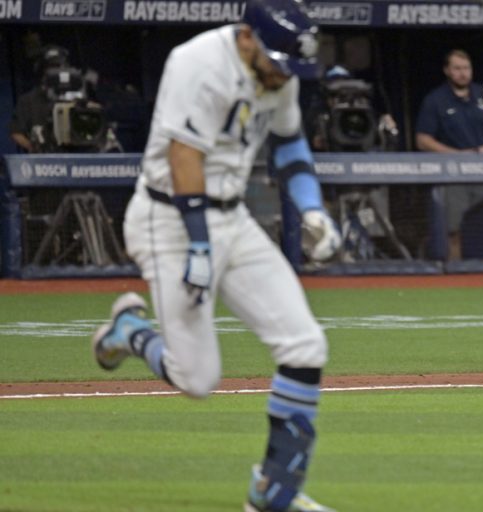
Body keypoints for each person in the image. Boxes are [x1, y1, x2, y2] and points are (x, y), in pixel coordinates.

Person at [89, 1, 341, 511]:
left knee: (305, 346)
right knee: (197, 378)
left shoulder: (278, 65)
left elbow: (290, 144)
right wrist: (199, 246)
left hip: (232, 215)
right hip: (168, 219)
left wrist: (313, 211)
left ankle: (272, 495)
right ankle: (131, 332)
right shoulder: (197, 61)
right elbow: (185, 157)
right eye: (276, 61)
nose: (282, 74)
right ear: (247, 36)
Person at [415, 49, 483, 260]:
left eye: (466, 68)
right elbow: (423, 140)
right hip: (453, 175)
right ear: (447, 71)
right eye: (457, 69)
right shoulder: (436, 100)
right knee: (454, 229)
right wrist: (458, 155)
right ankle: (457, 275)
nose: (462, 73)